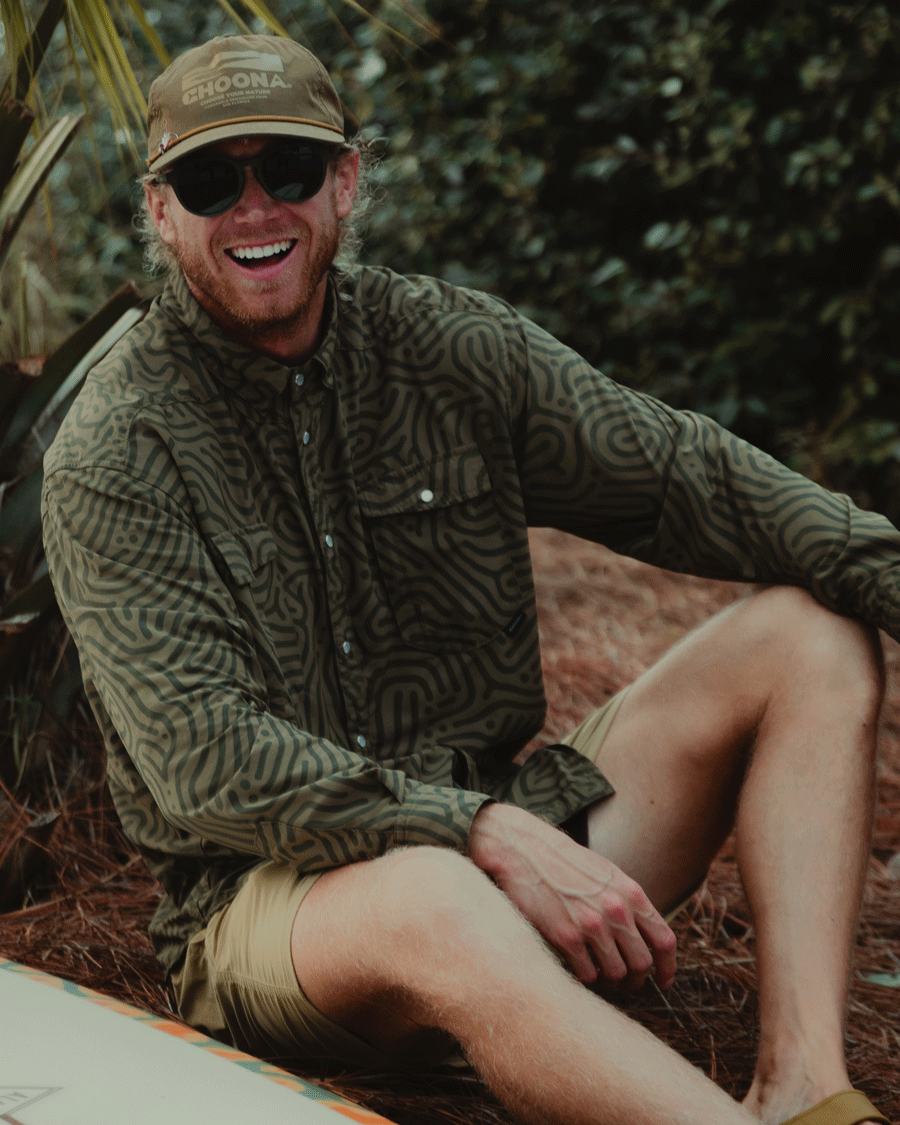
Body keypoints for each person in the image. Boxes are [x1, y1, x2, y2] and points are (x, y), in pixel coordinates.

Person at [41, 32, 898, 1125]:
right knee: (434, 887)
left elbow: (701, 481)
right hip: (272, 913)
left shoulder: (451, 350)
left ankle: (806, 1089)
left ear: (345, 182)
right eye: (211, 180)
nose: (254, 208)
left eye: (289, 171)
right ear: (162, 211)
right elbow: (210, 763)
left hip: (512, 833)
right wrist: (471, 832)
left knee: (809, 631)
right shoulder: (117, 448)